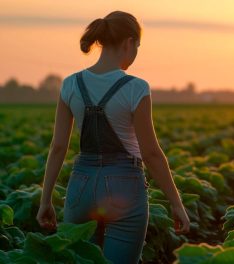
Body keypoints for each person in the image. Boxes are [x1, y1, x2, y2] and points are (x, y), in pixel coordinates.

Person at [36, 10, 190, 264]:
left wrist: (46, 200)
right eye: (138, 46)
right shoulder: (136, 87)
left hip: (80, 185)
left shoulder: (70, 84)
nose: (136, 53)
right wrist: (176, 202)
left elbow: (58, 147)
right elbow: (151, 153)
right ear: (129, 42)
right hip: (125, 186)